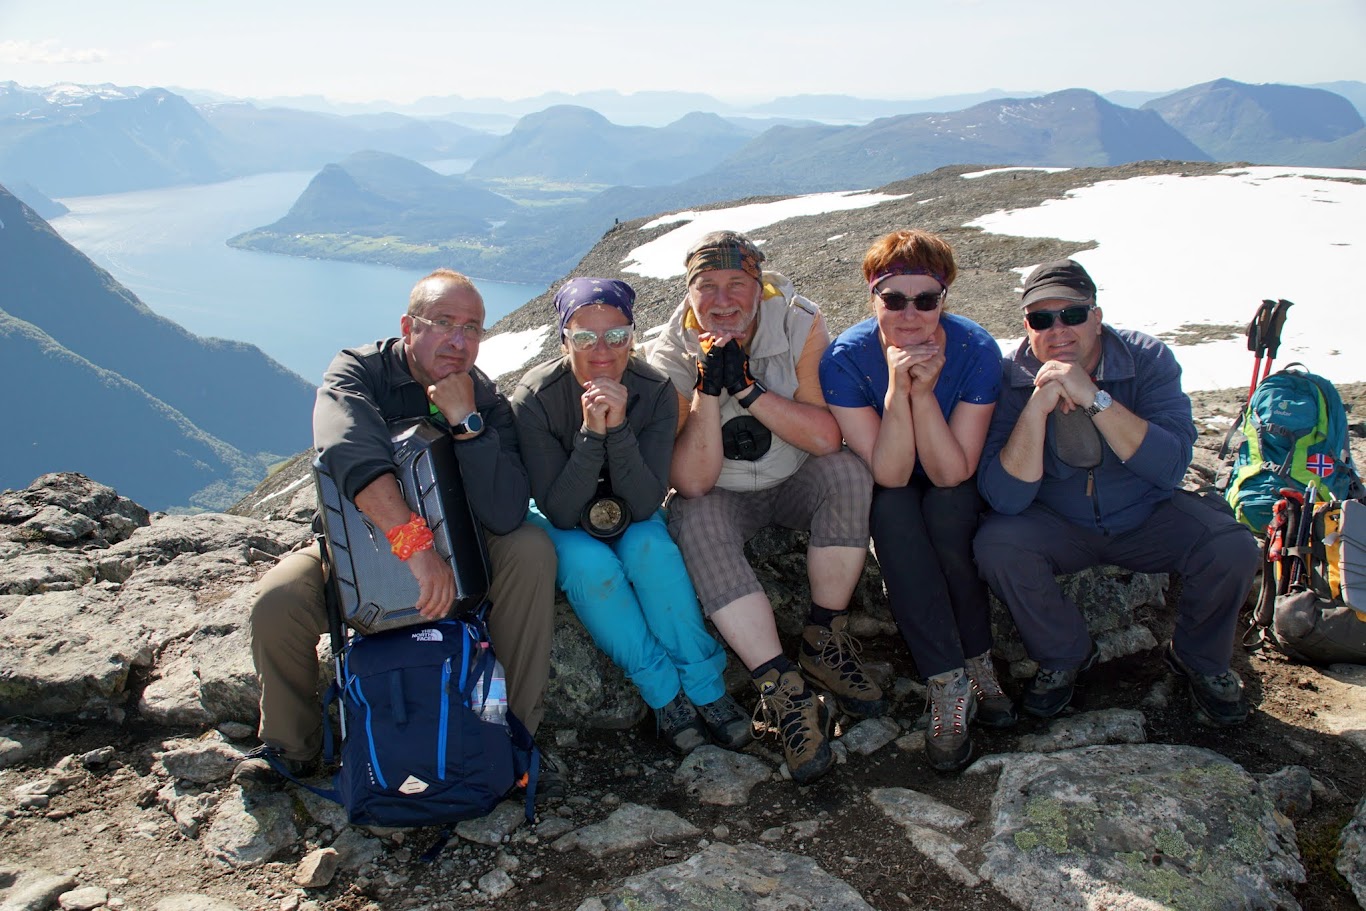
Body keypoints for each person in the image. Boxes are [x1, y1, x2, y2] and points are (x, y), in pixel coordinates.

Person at [242, 269, 560, 791]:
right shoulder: (358, 372)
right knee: (277, 600)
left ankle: (513, 737)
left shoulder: (483, 395)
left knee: (529, 550)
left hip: (463, 549)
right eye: (443, 323)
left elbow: (504, 512)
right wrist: (415, 547)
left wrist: (466, 423)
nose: (459, 341)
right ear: (409, 326)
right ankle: (291, 747)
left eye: (473, 328)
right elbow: (349, 454)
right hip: (360, 547)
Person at [974, 259, 1259, 725]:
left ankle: (1199, 659)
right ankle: (1065, 654)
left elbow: (1168, 467)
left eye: (1072, 314)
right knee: (997, 546)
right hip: (1058, 523)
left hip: (1147, 513)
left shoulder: (1146, 359)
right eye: (1042, 319)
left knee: (1230, 546)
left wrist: (1093, 397)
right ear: (1027, 326)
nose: (1058, 329)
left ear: (1097, 315)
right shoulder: (1010, 376)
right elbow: (1006, 498)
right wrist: (1037, 407)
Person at [644, 229, 882, 785]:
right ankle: (782, 686)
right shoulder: (668, 352)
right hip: (721, 490)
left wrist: (749, 390)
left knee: (848, 473)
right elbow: (692, 481)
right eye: (707, 287)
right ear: (689, 291)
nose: (722, 300)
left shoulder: (800, 322)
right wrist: (707, 392)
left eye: (737, 284)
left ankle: (823, 638)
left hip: (796, 473)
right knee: (694, 518)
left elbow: (825, 439)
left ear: (759, 285)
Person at [510, 277, 751, 756]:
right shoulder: (535, 397)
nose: (602, 350)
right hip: (561, 519)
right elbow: (557, 509)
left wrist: (617, 429)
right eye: (584, 337)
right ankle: (663, 694)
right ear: (563, 338)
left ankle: (707, 688)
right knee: (592, 570)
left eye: (617, 335)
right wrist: (590, 433)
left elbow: (643, 503)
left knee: (653, 552)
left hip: (630, 506)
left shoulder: (655, 389)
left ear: (632, 337)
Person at [819, 229, 1011, 773]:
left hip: (951, 470)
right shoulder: (847, 359)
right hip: (896, 475)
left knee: (951, 512)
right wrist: (897, 392)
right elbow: (891, 472)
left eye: (926, 300)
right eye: (893, 299)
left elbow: (952, 471)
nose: (910, 313)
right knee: (893, 513)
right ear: (873, 299)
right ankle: (948, 681)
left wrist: (923, 393)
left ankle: (977, 662)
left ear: (944, 300)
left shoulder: (974, 349)